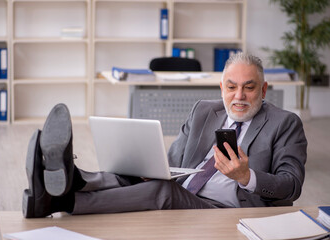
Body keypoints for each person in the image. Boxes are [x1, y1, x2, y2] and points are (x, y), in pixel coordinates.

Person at [23, 52, 307, 218]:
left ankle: (62, 200)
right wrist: (151, 169)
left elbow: (291, 185)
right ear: (221, 87)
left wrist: (246, 177)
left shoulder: (285, 123)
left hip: (226, 209)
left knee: (163, 190)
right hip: (186, 189)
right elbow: (171, 161)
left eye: (249, 87)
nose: (239, 96)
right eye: (232, 87)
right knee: (141, 174)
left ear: (264, 90)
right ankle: (70, 182)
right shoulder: (203, 111)